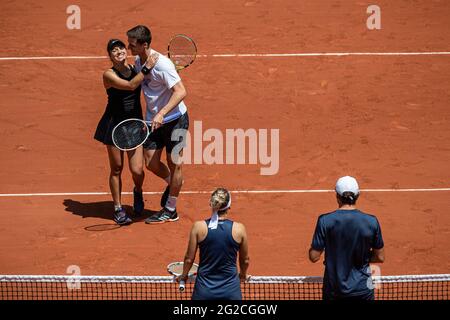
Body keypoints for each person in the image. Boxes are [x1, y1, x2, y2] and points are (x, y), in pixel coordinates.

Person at [126, 25, 189, 224]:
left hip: (176, 120)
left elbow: (181, 91)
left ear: (145, 45)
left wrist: (162, 113)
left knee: (175, 163)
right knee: (151, 163)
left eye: (132, 44)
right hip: (153, 121)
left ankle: (171, 209)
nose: (129, 47)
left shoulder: (163, 65)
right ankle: (173, 183)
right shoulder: (139, 61)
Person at [94, 39, 158, 225]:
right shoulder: (109, 75)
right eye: (114, 50)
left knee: (137, 169)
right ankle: (118, 208)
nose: (119, 51)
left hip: (134, 125)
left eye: (121, 48)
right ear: (110, 56)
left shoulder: (135, 68)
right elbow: (130, 86)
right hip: (114, 125)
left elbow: (150, 82)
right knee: (116, 168)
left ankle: (138, 190)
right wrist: (147, 67)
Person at [309, 176, 385, 300]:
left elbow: (314, 256)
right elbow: (380, 257)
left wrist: (335, 257)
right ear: (358, 195)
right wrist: (361, 257)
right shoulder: (372, 221)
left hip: (334, 291)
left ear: (337, 196)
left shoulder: (325, 221)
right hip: (363, 291)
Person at [177, 188, 250, 300]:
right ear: (229, 206)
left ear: (211, 204)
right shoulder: (239, 229)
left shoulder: (198, 227)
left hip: (203, 292)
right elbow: (245, 260)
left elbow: (188, 259)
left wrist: (184, 275)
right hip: (231, 292)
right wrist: (243, 275)